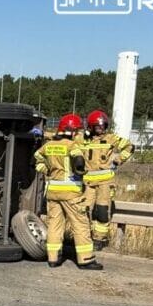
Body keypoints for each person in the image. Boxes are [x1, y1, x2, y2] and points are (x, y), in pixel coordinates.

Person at [34, 113, 102, 270]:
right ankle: (86, 260)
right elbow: (78, 159)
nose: (79, 133)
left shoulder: (48, 145)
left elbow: (36, 159)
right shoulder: (71, 146)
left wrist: (48, 171)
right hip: (71, 192)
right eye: (77, 130)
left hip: (52, 192)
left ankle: (53, 258)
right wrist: (79, 170)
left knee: (55, 225)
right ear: (71, 130)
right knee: (80, 224)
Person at [80, 110, 133, 249]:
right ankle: (84, 237)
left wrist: (118, 160)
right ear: (91, 127)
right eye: (98, 127)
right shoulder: (83, 139)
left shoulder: (111, 138)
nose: (101, 129)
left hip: (105, 182)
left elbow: (129, 146)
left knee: (102, 212)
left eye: (103, 126)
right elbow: (66, 143)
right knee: (84, 211)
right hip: (88, 183)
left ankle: (99, 240)